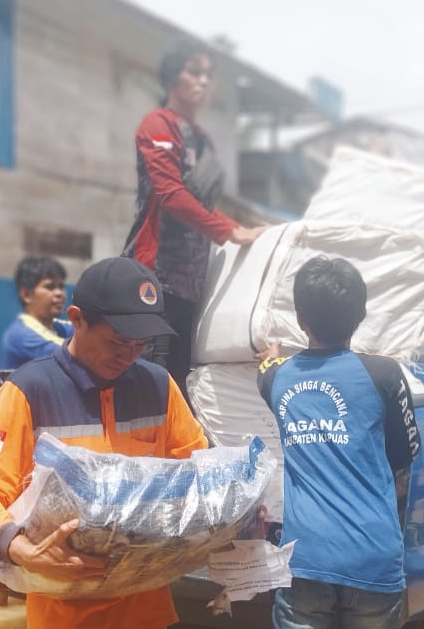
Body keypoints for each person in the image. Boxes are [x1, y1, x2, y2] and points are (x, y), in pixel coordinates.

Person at [0, 257, 208, 629]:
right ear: (77, 319)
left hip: (147, 614)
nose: (131, 353)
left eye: (141, 342)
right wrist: (17, 548)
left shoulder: (158, 385)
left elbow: (196, 474)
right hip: (67, 620)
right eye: (118, 341)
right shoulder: (30, 390)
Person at [256, 257, 421, 629]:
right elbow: (405, 452)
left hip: (304, 560)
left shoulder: (275, 378)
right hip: (373, 556)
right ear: (362, 315)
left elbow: (266, 364)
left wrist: (271, 351)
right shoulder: (384, 374)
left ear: (302, 321)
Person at [122, 40, 267, 396]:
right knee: (153, 375)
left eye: (208, 75)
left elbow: (201, 202)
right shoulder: (157, 125)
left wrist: (236, 228)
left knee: (179, 378)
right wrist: (229, 232)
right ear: (172, 76)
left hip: (190, 280)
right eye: (193, 71)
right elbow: (171, 194)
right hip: (156, 272)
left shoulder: (200, 139)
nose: (203, 81)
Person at [1, 256, 73, 369]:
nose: (59, 293)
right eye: (50, 287)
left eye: (61, 286)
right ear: (26, 295)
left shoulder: (58, 326)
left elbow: (87, 331)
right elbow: (75, 356)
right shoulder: (22, 335)